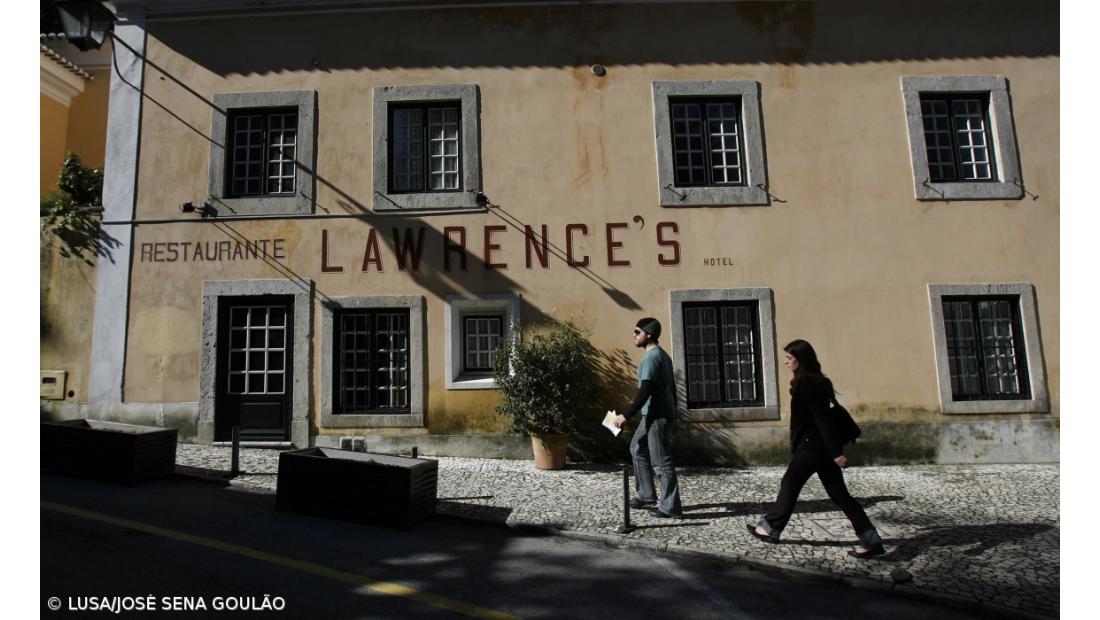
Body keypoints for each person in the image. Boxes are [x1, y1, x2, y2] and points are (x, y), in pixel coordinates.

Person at [748, 339, 885, 558]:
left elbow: (822, 419)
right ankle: (871, 540)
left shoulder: (807, 384)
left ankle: (770, 528)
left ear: (801, 360)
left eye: (790, 358)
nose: (786, 361)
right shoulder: (819, 381)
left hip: (811, 446)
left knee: (790, 484)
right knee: (840, 495)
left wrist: (836, 453)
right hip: (821, 447)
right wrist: (833, 451)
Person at [614, 317, 682, 518]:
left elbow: (646, 390)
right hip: (654, 414)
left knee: (661, 462)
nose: (633, 335)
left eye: (637, 332)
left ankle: (670, 508)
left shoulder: (652, 358)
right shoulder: (662, 355)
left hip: (657, 415)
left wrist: (626, 415)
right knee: (637, 448)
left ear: (649, 334)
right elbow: (671, 388)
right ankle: (646, 495)